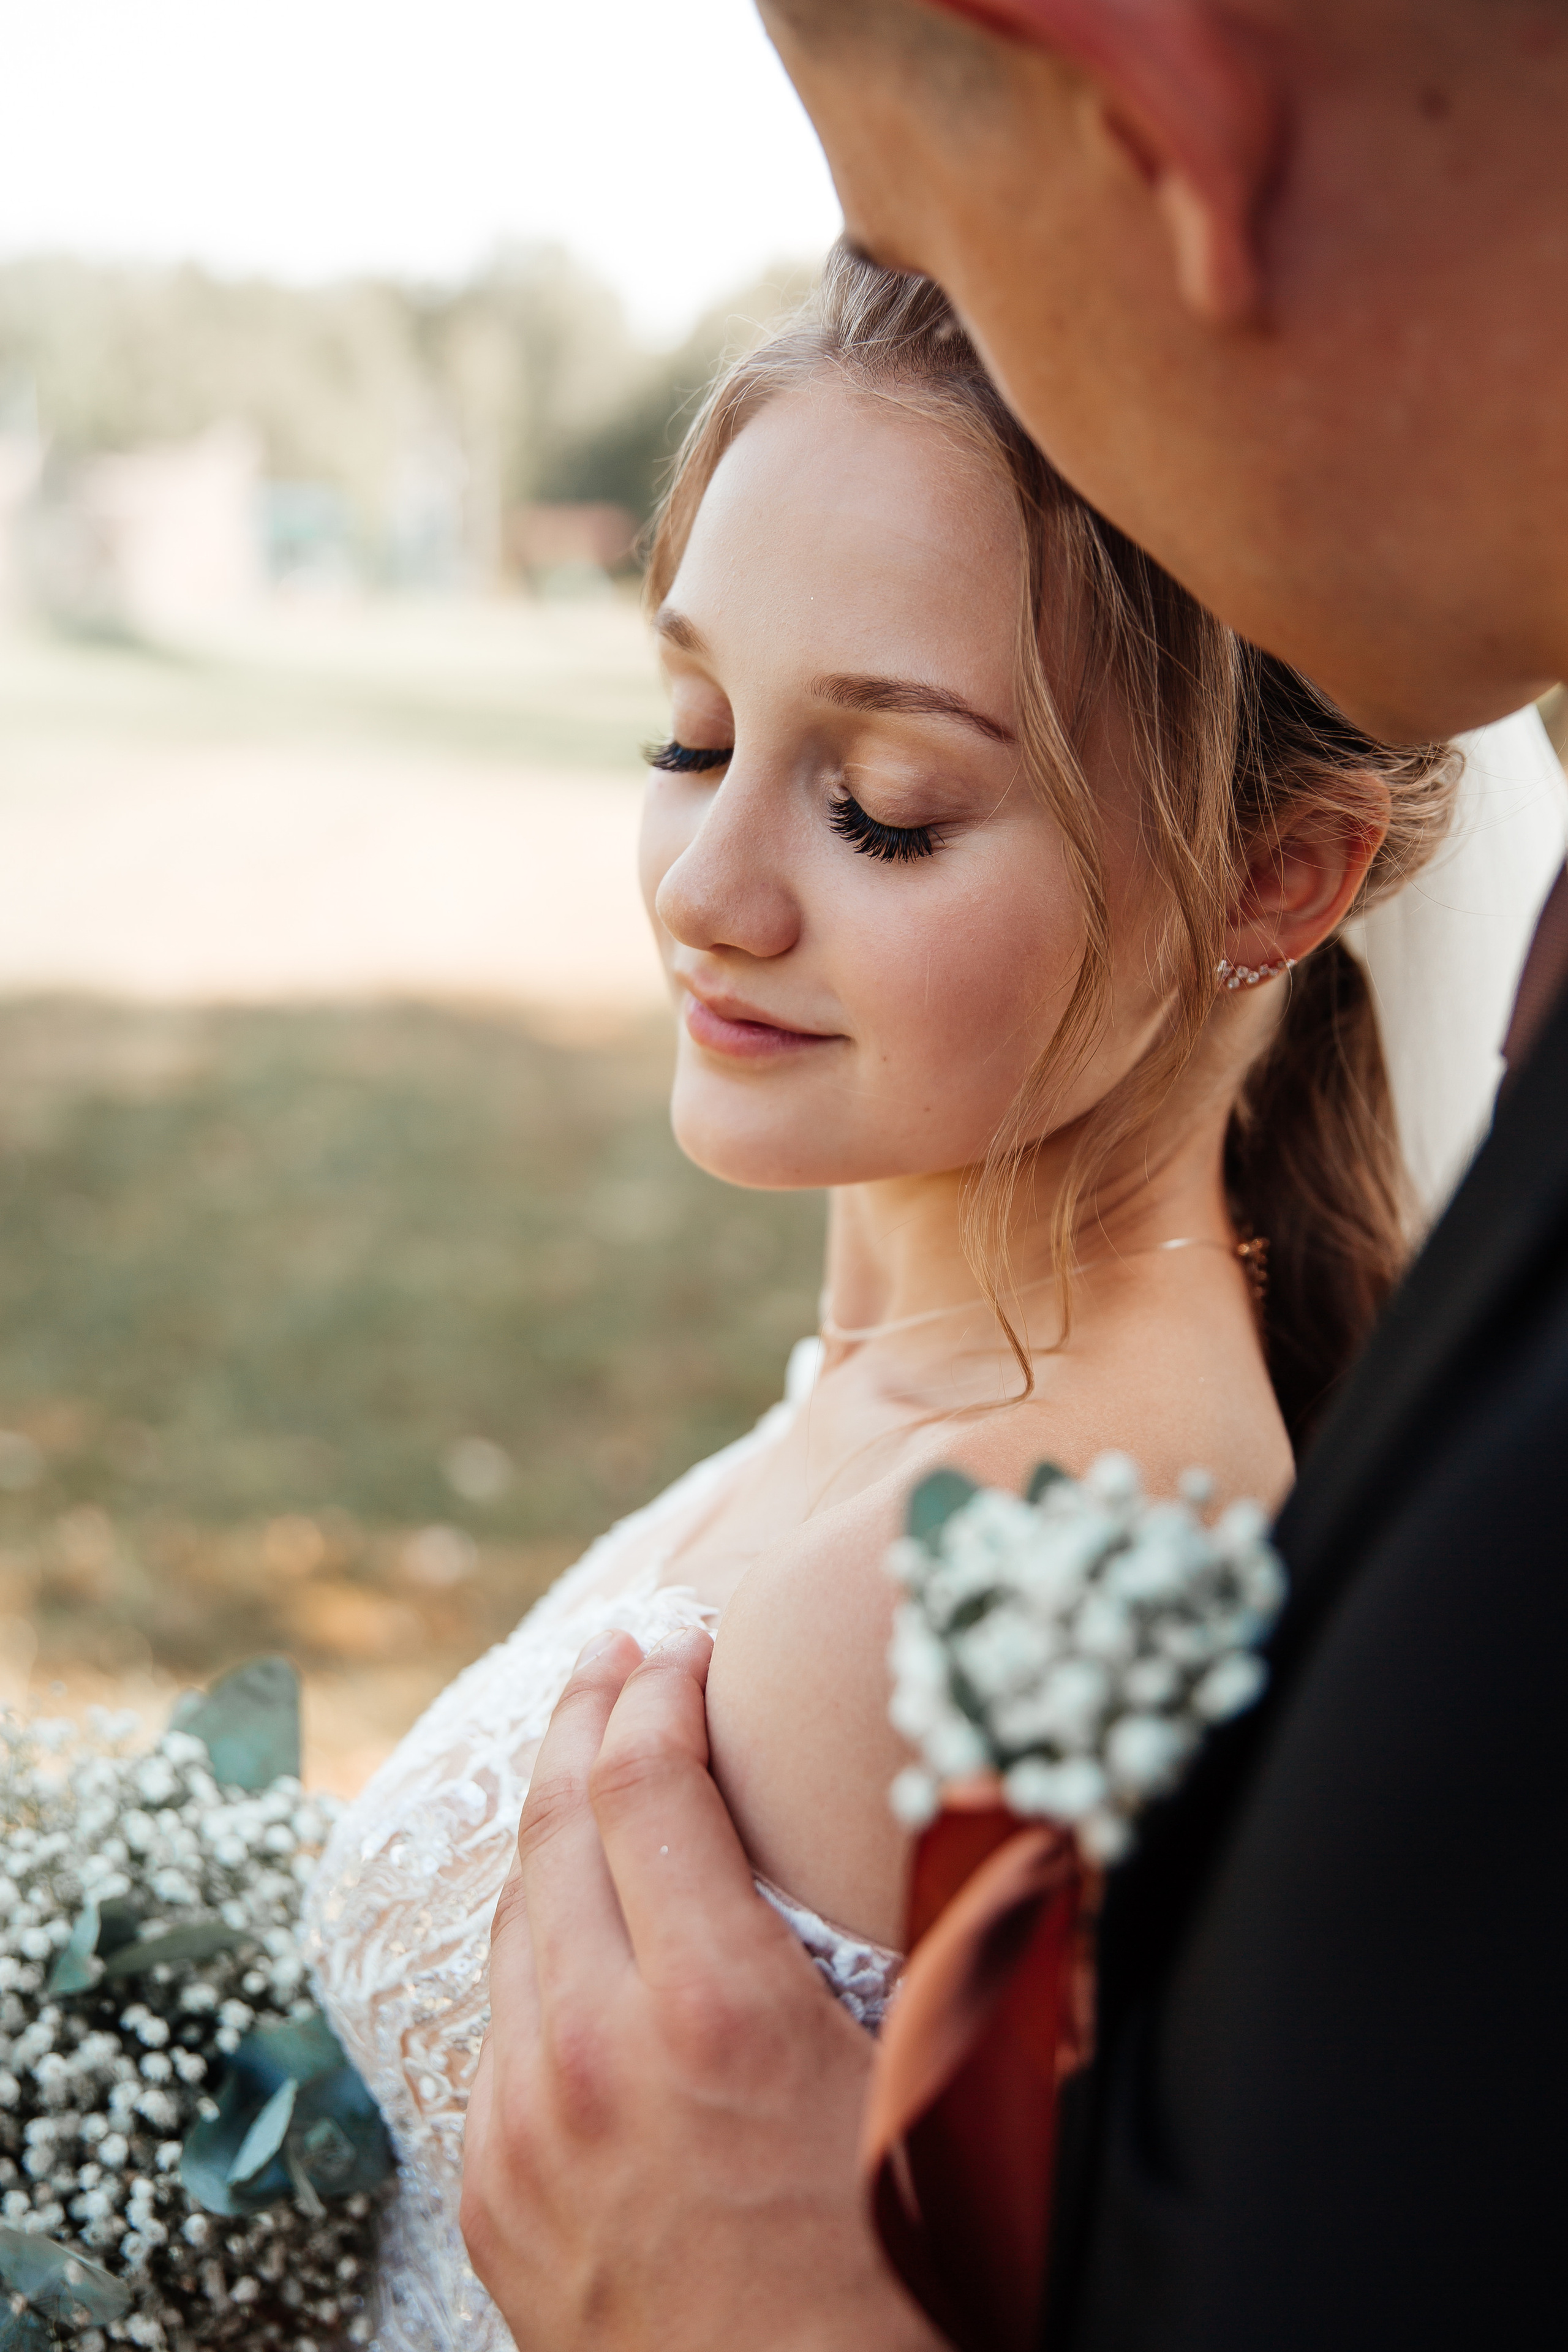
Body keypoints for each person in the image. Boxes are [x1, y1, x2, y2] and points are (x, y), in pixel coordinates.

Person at [458, 4, 1568, 2348]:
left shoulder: (990, 1591)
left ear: (1279, 877)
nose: (709, 895)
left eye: (884, 812)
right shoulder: (927, 1407)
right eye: (691, 734)